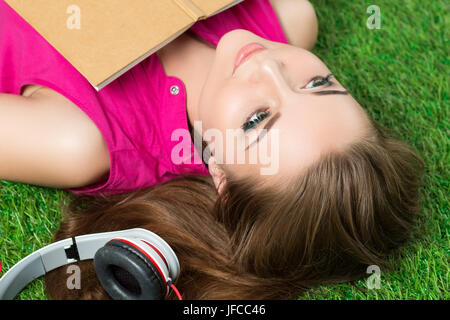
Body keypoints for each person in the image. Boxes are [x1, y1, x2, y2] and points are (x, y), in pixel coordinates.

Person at [0, 0, 424, 299]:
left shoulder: (81, 142)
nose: (268, 67)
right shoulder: (288, 17)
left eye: (257, 119)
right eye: (318, 84)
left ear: (219, 172)